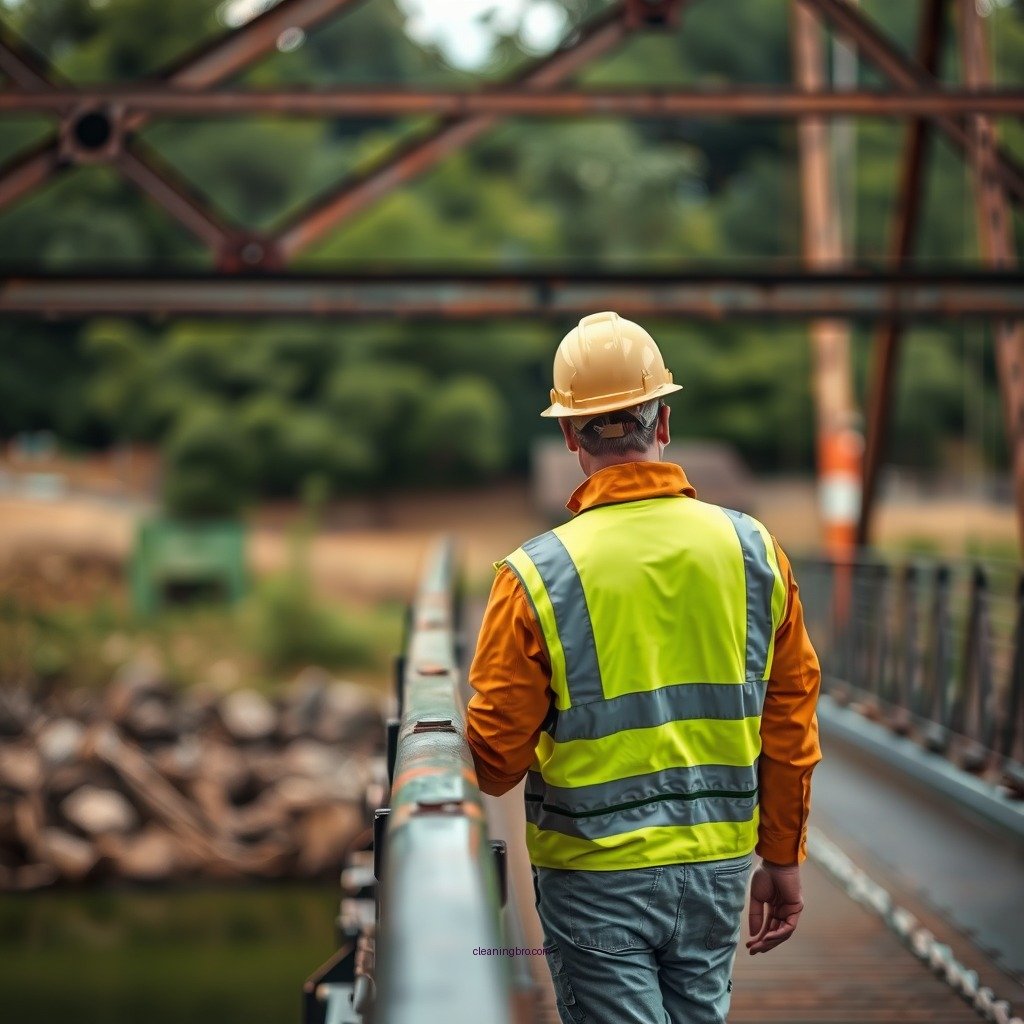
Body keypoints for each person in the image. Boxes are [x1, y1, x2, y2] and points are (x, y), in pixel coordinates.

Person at [465, 311, 822, 1024]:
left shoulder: (535, 576)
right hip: (719, 867)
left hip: (596, 875)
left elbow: (495, 763)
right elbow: (791, 721)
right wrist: (781, 855)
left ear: (569, 436)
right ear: (663, 421)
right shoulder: (755, 551)